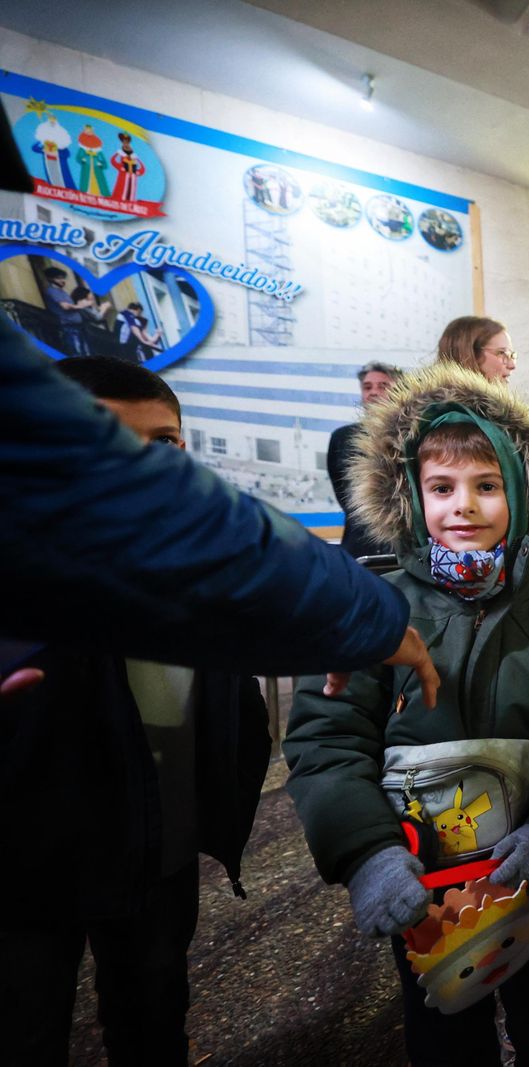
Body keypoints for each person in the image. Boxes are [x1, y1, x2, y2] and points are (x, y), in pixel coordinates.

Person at [284, 361, 529, 1067]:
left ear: (519, 493)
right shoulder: (374, 610)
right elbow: (328, 739)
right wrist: (367, 854)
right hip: (420, 882)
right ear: (413, 497)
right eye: (441, 488)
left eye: (486, 485)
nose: (462, 506)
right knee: (441, 1021)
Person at [0, 357, 271, 1064]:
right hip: (26, 871)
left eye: (164, 443)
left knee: (151, 1017)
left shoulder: (203, 564)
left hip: (158, 852)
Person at [0, 316, 436, 687]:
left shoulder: (211, 619)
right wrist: (367, 620)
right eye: (114, 445)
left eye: (164, 443)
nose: (147, 465)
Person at [326, 360, 401, 559]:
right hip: (357, 546)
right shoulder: (342, 438)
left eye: (383, 386)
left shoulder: (411, 436)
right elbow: (344, 494)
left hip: (402, 547)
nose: (373, 392)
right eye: (367, 387)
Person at [434, 315, 517, 382]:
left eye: (512, 355)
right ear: (468, 355)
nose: (512, 365)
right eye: (502, 353)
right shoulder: (447, 403)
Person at [43, 266, 89, 356]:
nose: (62, 280)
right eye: (58, 278)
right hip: (68, 327)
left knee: (84, 352)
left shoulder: (62, 292)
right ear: (50, 279)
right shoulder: (52, 291)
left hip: (77, 326)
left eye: (62, 278)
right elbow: (65, 306)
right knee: (77, 353)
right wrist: (79, 306)